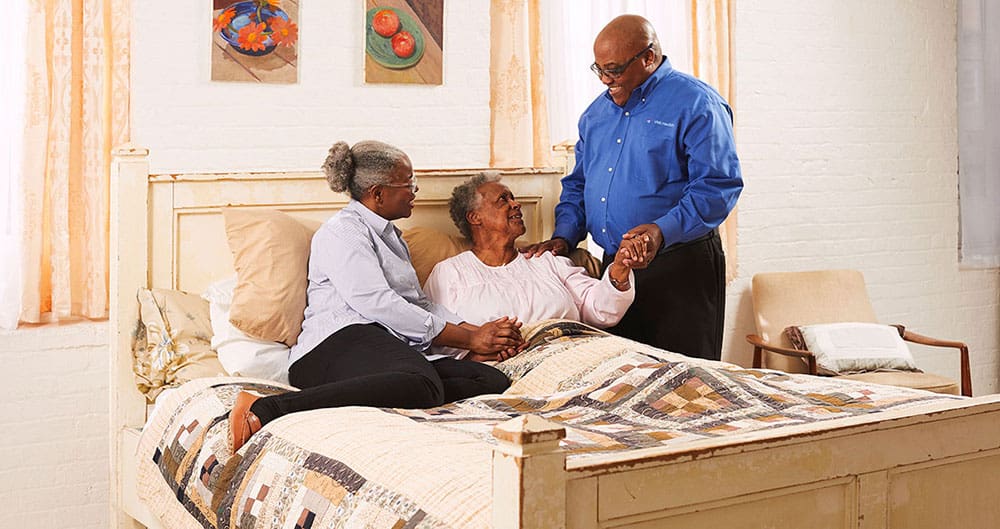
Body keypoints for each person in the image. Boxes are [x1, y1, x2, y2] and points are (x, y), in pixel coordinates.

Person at [230, 141, 521, 452]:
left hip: (381, 350)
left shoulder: (394, 239)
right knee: (421, 382)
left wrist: (481, 333)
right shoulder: (343, 232)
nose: (414, 191)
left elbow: (419, 304)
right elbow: (377, 302)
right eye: (408, 184)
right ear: (378, 193)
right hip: (331, 348)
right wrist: (467, 339)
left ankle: (404, 386)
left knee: (490, 380)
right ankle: (267, 408)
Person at [522, 15, 743, 361]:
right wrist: (565, 235)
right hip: (616, 272)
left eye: (615, 69)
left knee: (687, 385)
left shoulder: (697, 104)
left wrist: (659, 231)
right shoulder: (594, 116)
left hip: (679, 266)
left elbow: (717, 187)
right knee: (623, 383)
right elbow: (578, 185)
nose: (606, 80)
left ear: (649, 57)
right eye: (599, 70)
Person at [424, 173, 645, 354]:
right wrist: (481, 354)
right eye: (504, 199)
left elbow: (600, 310)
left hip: (579, 352)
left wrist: (619, 268)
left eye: (513, 198)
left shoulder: (546, 260)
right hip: (504, 370)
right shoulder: (450, 273)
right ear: (475, 217)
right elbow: (439, 341)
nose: (516, 204)